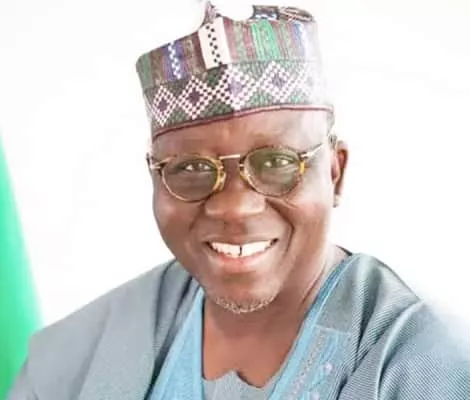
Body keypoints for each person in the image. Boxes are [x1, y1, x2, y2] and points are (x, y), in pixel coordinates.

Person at [8, 3, 470, 399]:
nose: (234, 207)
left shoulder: (428, 366)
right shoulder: (72, 359)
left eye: (277, 163)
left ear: (335, 171)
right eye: (191, 169)